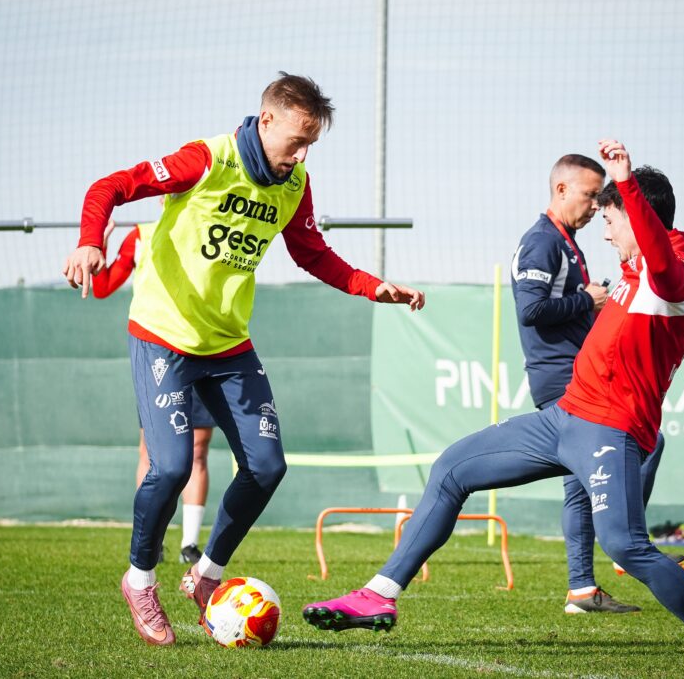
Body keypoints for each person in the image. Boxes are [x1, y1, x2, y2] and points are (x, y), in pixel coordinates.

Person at [304, 139, 684, 672]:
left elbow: (657, 249)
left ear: (640, 217)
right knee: (450, 469)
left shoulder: (668, 274)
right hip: (562, 417)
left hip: (610, 429)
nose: (605, 231)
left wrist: (626, 182)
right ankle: (379, 593)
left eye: (611, 218)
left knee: (627, 547)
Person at [63, 72, 426, 647]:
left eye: (311, 144)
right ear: (267, 120)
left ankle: (206, 576)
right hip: (162, 335)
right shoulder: (207, 159)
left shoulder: (295, 183)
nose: (302, 154)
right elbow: (110, 186)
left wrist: (373, 287)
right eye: (297, 140)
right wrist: (91, 239)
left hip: (228, 344)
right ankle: (139, 579)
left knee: (268, 466)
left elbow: (314, 254)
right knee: (172, 468)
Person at [511, 155, 675, 614]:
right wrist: (586, 299)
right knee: (590, 478)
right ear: (561, 190)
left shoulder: (568, 242)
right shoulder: (541, 242)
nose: (595, 206)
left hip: (576, 370)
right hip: (561, 376)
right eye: (589, 195)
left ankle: (598, 573)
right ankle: (622, 552)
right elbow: (531, 311)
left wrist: (591, 306)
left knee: (594, 477)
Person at [92, 218, 214, 565]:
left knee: (197, 450)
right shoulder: (142, 234)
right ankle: (151, 540)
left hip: (205, 350)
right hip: (160, 354)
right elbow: (103, 286)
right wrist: (97, 247)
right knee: (151, 451)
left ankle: (190, 544)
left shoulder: (212, 225)